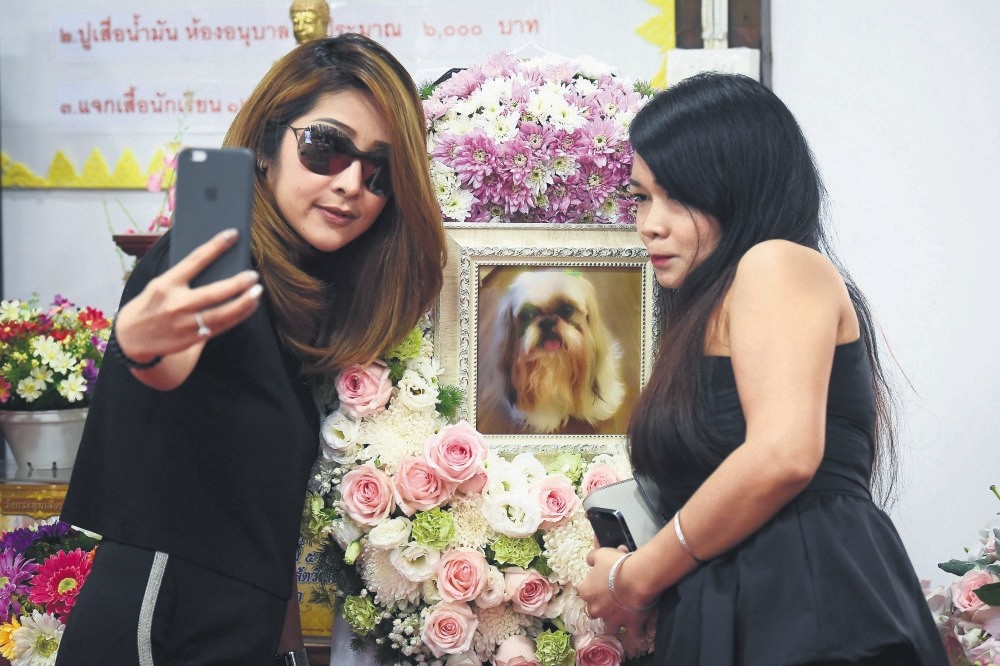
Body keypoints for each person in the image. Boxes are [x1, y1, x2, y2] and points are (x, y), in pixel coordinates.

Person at [56, 33, 445, 665]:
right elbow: (164, 362)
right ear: (267, 145)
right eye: (326, 148)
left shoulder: (295, 298)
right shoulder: (209, 273)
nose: (351, 183)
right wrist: (141, 345)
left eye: (381, 170)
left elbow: (252, 509)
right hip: (161, 626)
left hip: (233, 629)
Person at [578, 72, 948, 665]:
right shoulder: (709, 308)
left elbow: (783, 454)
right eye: (642, 197)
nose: (649, 222)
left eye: (679, 196)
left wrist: (635, 577)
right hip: (745, 611)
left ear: (739, 190)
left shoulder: (776, 263)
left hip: (808, 612)